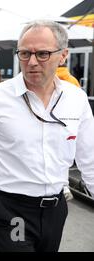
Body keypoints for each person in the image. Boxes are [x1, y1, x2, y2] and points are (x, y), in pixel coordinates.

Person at [0, 20, 94, 252]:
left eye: (42, 54)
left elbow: (88, 158)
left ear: (63, 55)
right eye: (24, 53)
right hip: (10, 209)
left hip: (55, 209)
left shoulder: (76, 99)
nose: (31, 62)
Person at [55, 61, 81, 201]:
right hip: (68, 122)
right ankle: (64, 186)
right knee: (64, 155)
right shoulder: (72, 80)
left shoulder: (43, 80)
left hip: (49, 122)